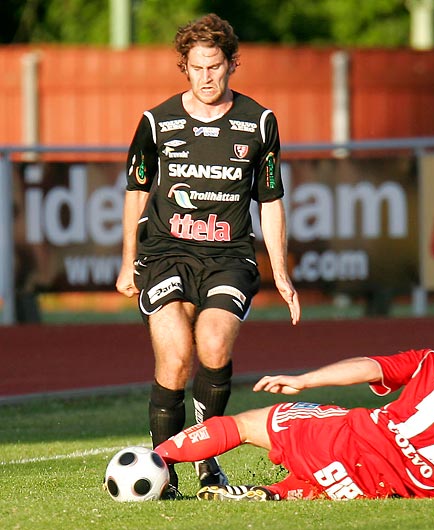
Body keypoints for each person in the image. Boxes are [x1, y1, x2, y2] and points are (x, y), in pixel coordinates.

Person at [154, 307, 434, 501]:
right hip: (389, 487)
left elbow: (369, 367)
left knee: (249, 423)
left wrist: (305, 381)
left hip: (356, 441)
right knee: (338, 467)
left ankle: (158, 458)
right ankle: (273, 494)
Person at [115, 13, 300, 498]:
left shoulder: (259, 121)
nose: (206, 78)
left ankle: (207, 455)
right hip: (164, 252)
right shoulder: (157, 122)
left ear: (231, 64)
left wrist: (281, 271)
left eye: (215, 67)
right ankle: (166, 468)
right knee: (175, 358)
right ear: (185, 67)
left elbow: (272, 200)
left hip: (229, 256)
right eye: (196, 68)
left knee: (214, 345)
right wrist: (125, 260)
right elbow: (136, 191)